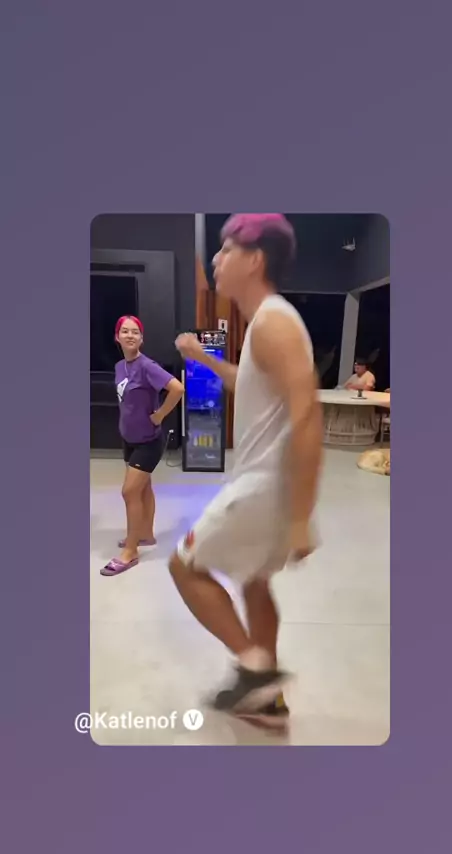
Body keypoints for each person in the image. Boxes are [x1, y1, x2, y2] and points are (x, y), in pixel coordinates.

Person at [171, 214, 324, 728]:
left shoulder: (275, 322)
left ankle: (255, 671)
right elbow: (251, 382)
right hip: (270, 487)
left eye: (226, 249)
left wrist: (300, 517)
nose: (215, 260)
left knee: (183, 567)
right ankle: (269, 702)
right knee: (255, 582)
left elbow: (308, 413)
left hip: (265, 487)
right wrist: (203, 358)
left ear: (255, 260)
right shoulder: (267, 322)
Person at [101, 315, 184, 576]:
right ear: (117, 337)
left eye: (135, 332)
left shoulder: (147, 366)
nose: (130, 335)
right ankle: (145, 534)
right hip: (129, 438)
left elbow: (177, 388)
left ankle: (131, 551)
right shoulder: (120, 367)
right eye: (125, 331)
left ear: (141, 338)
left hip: (148, 441)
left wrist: (160, 415)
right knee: (143, 488)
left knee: (129, 492)